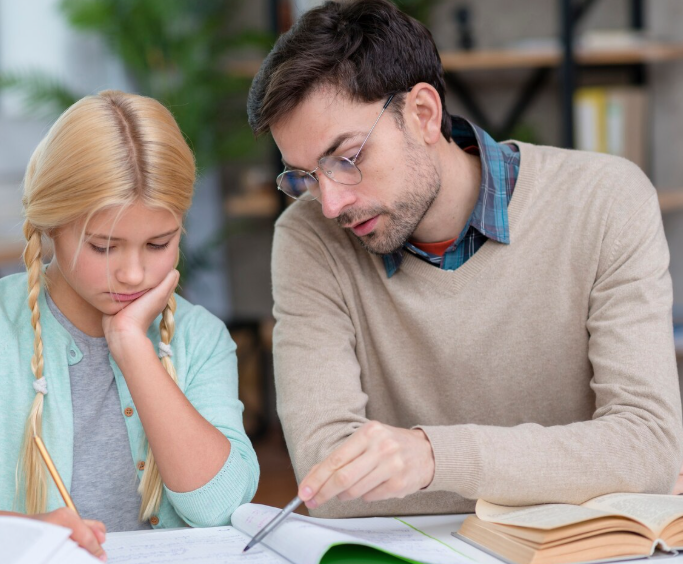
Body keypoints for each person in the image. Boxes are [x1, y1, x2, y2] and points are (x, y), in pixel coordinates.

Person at [247, 0, 683, 519]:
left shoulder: (605, 200)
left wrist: (434, 458)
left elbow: (649, 448)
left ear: (424, 114)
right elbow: (331, 483)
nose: (332, 203)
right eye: (306, 177)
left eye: (347, 159)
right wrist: (583, 470)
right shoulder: (308, 238)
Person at [0, 91, 260, 558]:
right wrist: (17, 533)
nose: (134, 274)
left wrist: (132, 347)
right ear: (52, 225)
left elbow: (219, 507)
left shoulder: (200, 339)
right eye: (103, 247)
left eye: (158, 244)